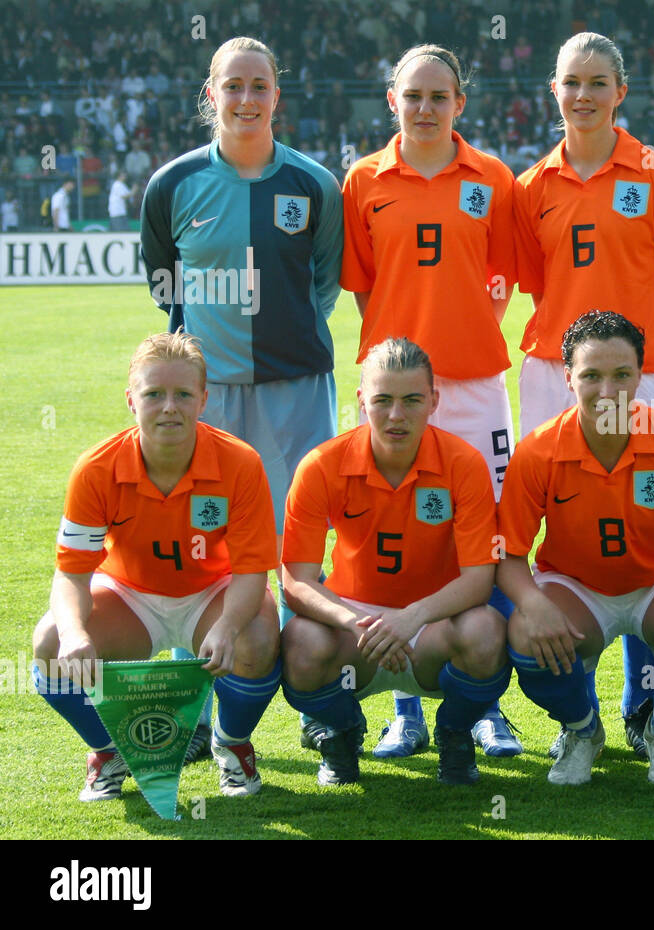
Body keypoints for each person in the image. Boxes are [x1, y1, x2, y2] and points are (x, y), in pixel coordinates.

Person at [140, 36, 343, 762]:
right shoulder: (173, 184)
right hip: (209, 398)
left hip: (296, 391)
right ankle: (194, 714)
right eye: (233, 86)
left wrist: (281, 336)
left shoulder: (315, 184)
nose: (247, 99)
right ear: (211, 94)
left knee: (299, 551)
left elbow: (324, 280)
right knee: (202, 552)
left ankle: (316, 702)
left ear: (276, 96)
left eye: (260, 86)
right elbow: (163, 281)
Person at [512, 32, 654, 758]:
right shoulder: (531, 186)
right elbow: (537, 284)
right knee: (566, 518)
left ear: (621, 91)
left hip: (644, 368)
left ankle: (651, 699)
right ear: (554, 91)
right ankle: (579, 712)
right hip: (554, 371)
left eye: (598, 82)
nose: (584, 95)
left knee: (649, 522)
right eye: (572, 82)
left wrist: (643, 354)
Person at [340, 43, 520, 760]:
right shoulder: (363, 180)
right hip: (394, 391)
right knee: (403, 535)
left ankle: (485, 707)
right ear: (393, 101)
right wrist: (401, 360)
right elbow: (364, 287)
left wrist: (463, 338)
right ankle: (406, 708)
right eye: (412, 96)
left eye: (438, 96)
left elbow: (502, 278)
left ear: (459, 104)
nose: (424, 108)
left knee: (487, 536)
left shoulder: (493, 178)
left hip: (475, 388)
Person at [33, 333, 281, 801]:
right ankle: (109, 751)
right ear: (131, 400)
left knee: (259, 635)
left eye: (183, 394)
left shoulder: (240, 462)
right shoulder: (95, 469)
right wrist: (73, 632)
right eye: (154, 394)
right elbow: (71, 574)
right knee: (49, 641)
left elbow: (252, 572)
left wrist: (228, 626)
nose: (169, 407)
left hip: (211, 593)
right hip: (130, 596)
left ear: (203, 400)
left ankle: (231, 743)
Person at [497, 311, 654, 785]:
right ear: (568, 378)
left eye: (622, 375)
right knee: (526, 633)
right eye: (591, 376)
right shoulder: (538, 451)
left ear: (641, 374)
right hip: (576, 586)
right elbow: (509, 553)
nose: (607, 391)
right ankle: (582, 731)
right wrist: (531, 602)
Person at [279, 338, 510, 787]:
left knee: (486, 632)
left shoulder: (464, 463)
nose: (396, 415)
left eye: (412, 400)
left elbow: (480, 579)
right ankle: (343, 732)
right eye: (382, 400)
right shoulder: (321, 465)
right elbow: (296, 581)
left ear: (434, 401)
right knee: (301, 642)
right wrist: (354, 622)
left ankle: (454, 733)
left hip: (432, 629)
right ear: (361, 399)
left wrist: (413, 616)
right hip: (355, 632)